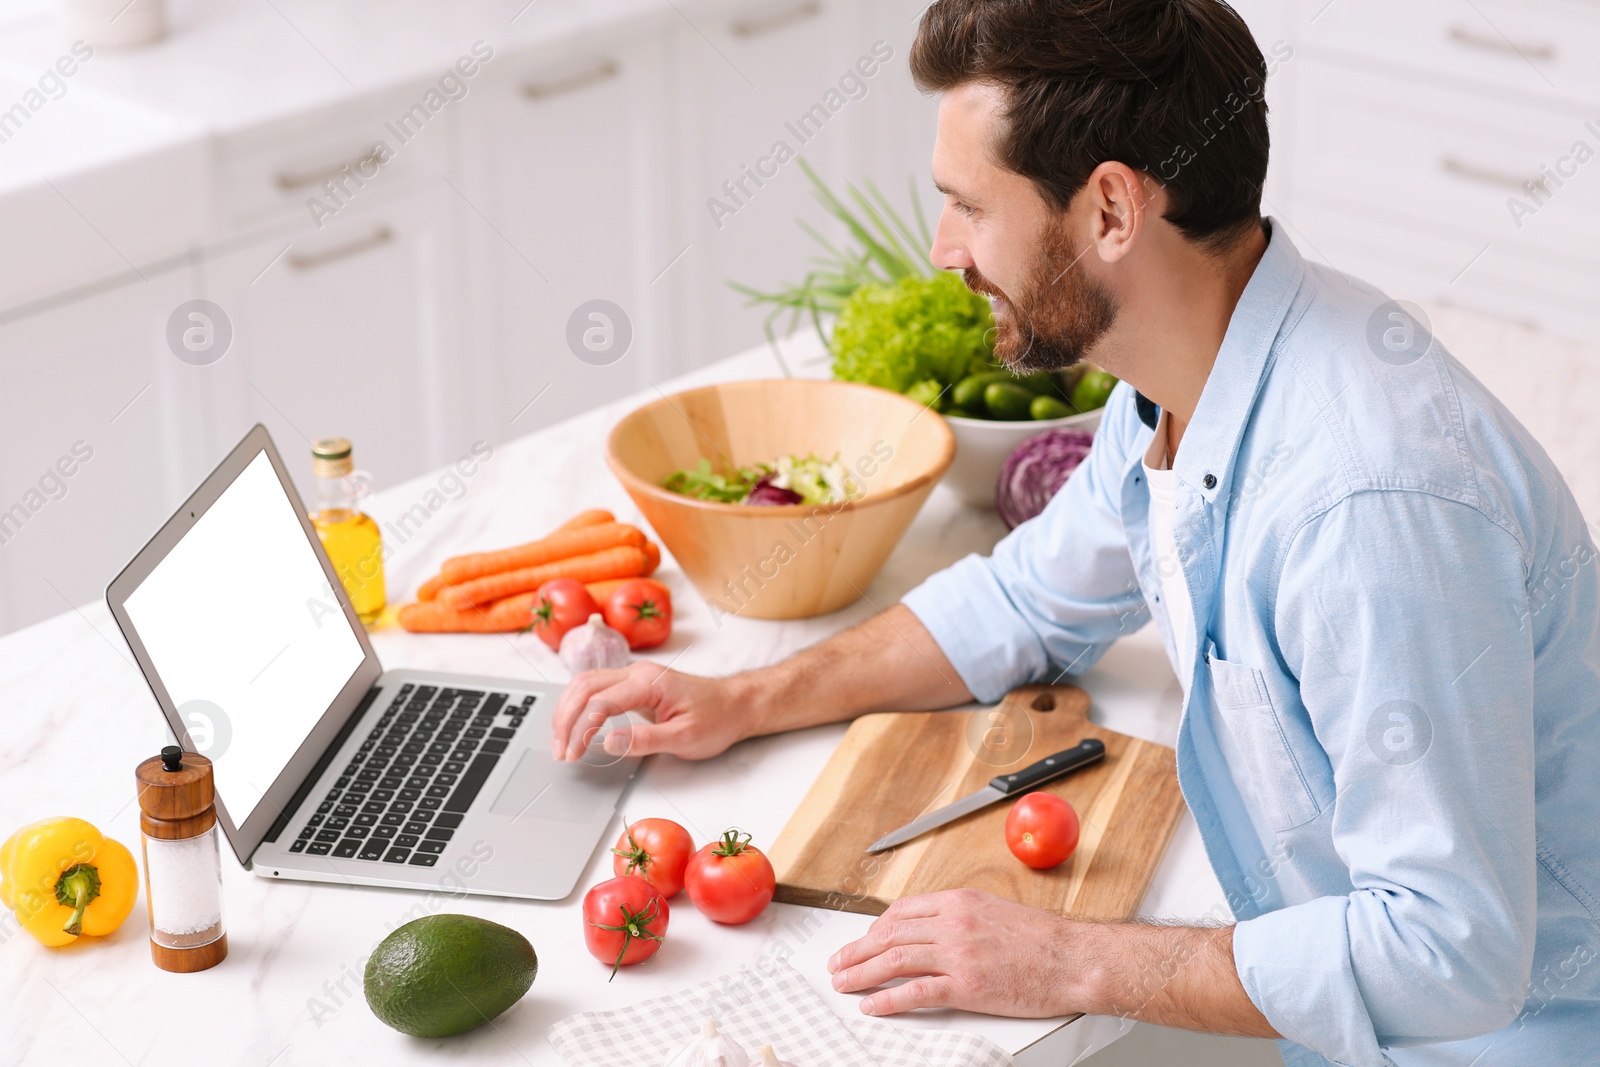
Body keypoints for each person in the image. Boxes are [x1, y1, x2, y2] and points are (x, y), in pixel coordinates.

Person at [551, 1, 1600, 1063]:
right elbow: (1022, 600)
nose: (943, 248)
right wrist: (741, 699)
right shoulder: (1180, 376)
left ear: (1109, 209)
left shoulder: (1365, 502)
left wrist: (1067, 959)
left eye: (968, 204)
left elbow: (1449, 951)